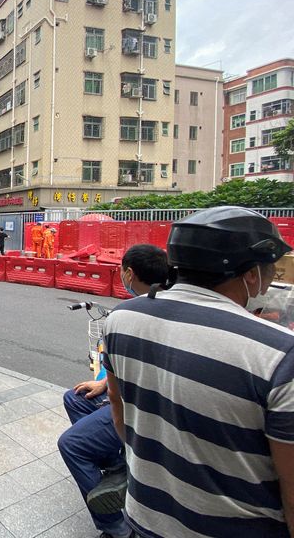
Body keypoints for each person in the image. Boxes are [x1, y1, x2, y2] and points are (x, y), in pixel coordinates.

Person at [104, 207, 294, 538]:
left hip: (144, 516)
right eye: (270, 271)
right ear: (250, 275)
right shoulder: (280, 354)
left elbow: (117, 410)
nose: (270, 281)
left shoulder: (121, 319)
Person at [58, 244, 170, 538]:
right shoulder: (172, 304)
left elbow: (116, 396)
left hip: (139, 408)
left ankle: (117, 528)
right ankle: (115, 464)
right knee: (75, 397)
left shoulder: (126, 314)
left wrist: (121, 428)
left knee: (72, 444)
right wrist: (102, 382)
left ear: (129, 273)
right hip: (145, 397)